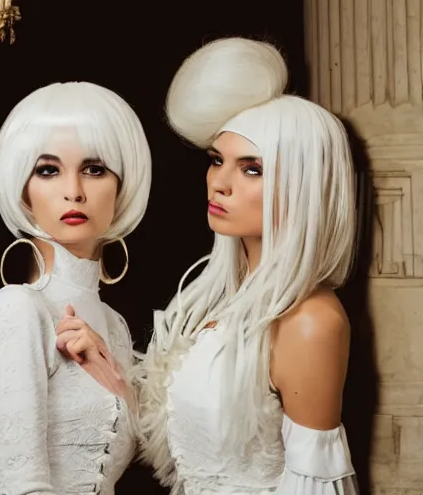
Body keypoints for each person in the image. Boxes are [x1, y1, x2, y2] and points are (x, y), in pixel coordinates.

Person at [133, 37, 360, 494]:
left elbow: (313, 485)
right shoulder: (226, 300)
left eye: (251, 168)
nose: (219, 183)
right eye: (217, 160)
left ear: (302, 185)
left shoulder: (310, 321)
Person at [0, 81, 151, 495]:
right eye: (48, 170)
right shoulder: (17, 308)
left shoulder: (114, 326)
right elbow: (21, 487)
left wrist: (119, 384)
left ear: (121, 188)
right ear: (24, 191)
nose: (74, 191)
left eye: (95, 169)